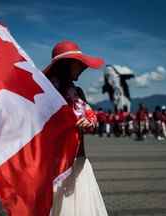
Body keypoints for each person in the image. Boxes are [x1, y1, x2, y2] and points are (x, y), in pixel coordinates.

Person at [43, 40, 108, 216]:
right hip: (56, 164)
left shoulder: (78, 92)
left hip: (79, 160)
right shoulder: (45, 92)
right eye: (77, 63)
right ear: (66, 65)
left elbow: (90, 116)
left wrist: (89, 122)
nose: (81, 67)